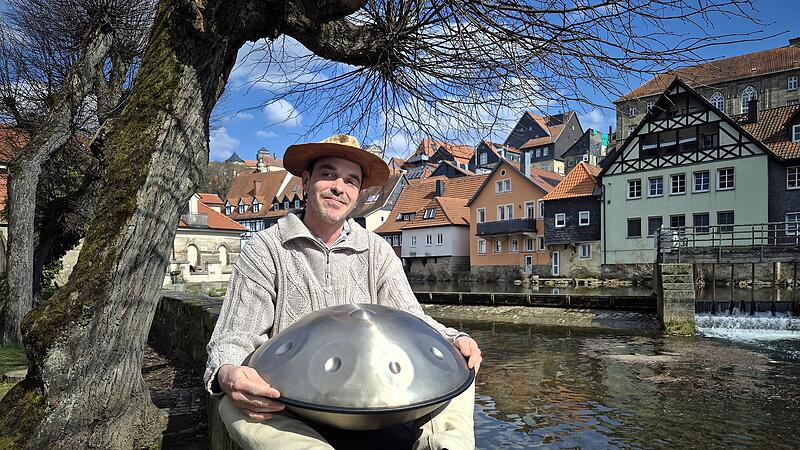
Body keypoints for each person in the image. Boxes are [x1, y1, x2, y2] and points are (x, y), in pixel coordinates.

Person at [204, 134, 482, 450]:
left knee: (461, 369)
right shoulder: (265, 249)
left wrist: (453, 338)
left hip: (374, 397)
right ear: (306, 181)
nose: (339, 186)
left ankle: (441, 446)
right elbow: (233, 337)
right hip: (294, 404)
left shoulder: (376, 250)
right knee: (232, 402)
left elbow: (412, 321)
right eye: (328, 174)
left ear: (358, 195)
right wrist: (227, 372)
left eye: (351, 181)